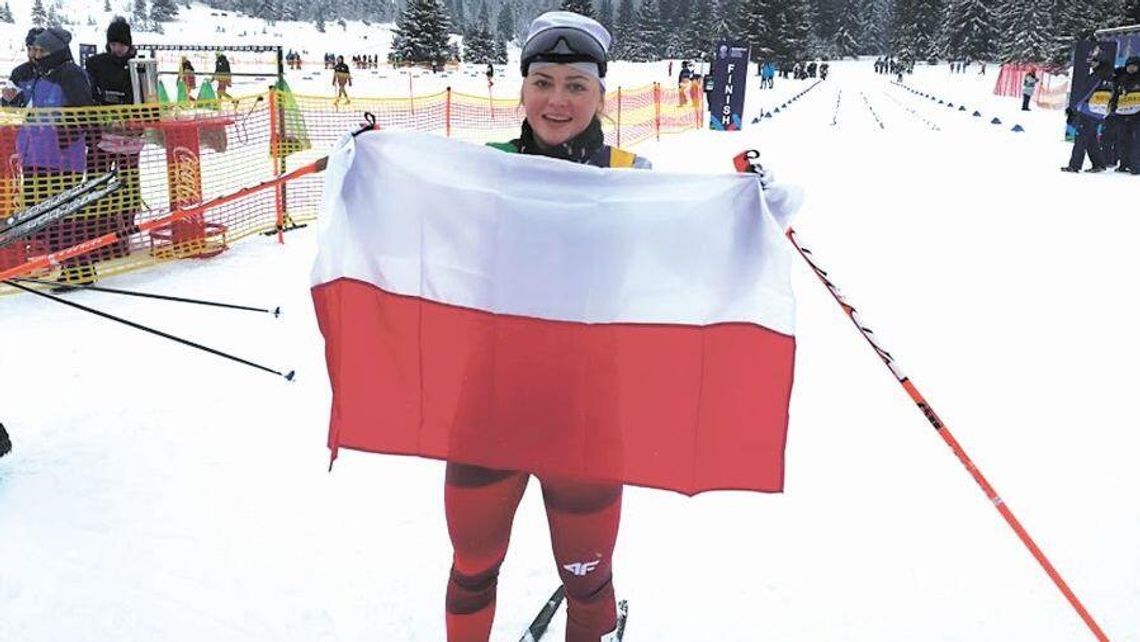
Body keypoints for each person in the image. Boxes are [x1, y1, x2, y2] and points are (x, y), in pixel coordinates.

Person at [448, 13, 651, 642]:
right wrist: (364, 164)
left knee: (587, 576)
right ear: (522, 91)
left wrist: (753, 207)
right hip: (490, 409)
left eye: (575, 85)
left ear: (600, 95)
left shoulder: (634, 173)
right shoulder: (486, 167)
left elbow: (696, 255)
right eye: (543, 81)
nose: (557, 100)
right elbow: (412, 229)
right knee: (473, 568)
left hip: (586, 415)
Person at [18, 27, 96, 288]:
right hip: (35, 155)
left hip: (59, 159)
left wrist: (66, 138)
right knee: (43, 216)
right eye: (35, 50)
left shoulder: (70, 73)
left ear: (55, 51)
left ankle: (80, 269)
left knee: (64, 218)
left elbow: (83, 111)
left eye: (42, 51)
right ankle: (69, 265)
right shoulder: (42, 75)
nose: (36, 55)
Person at [82, 16, 144, 266]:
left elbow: (145, 98)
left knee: (128, 181)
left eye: (122, 44)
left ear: (129, 45)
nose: (117, 49)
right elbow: (87, 92)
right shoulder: (96, 64)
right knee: (98, 180)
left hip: (128, 137)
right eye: (113, 44)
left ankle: (126, 227)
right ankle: (99, 230)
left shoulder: (138, 66)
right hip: (100, 135)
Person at [1110, 56, 1140, 174]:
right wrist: (1113, 107)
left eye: (1134, 66)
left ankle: (1136, 165)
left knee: (1137, 141)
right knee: (1123, 140)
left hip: (1138, 115)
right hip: (1122, 114)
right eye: (1129, 66)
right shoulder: (1120, 78)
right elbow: (1116, 94)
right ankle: (1124, 164)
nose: (1131, 68)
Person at [2, 28, 44, 108]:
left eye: (35, 49)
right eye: (29, 49)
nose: (30, 54)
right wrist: (9, 99)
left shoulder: (61, 72)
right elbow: (7, 107)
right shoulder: (19, 73)